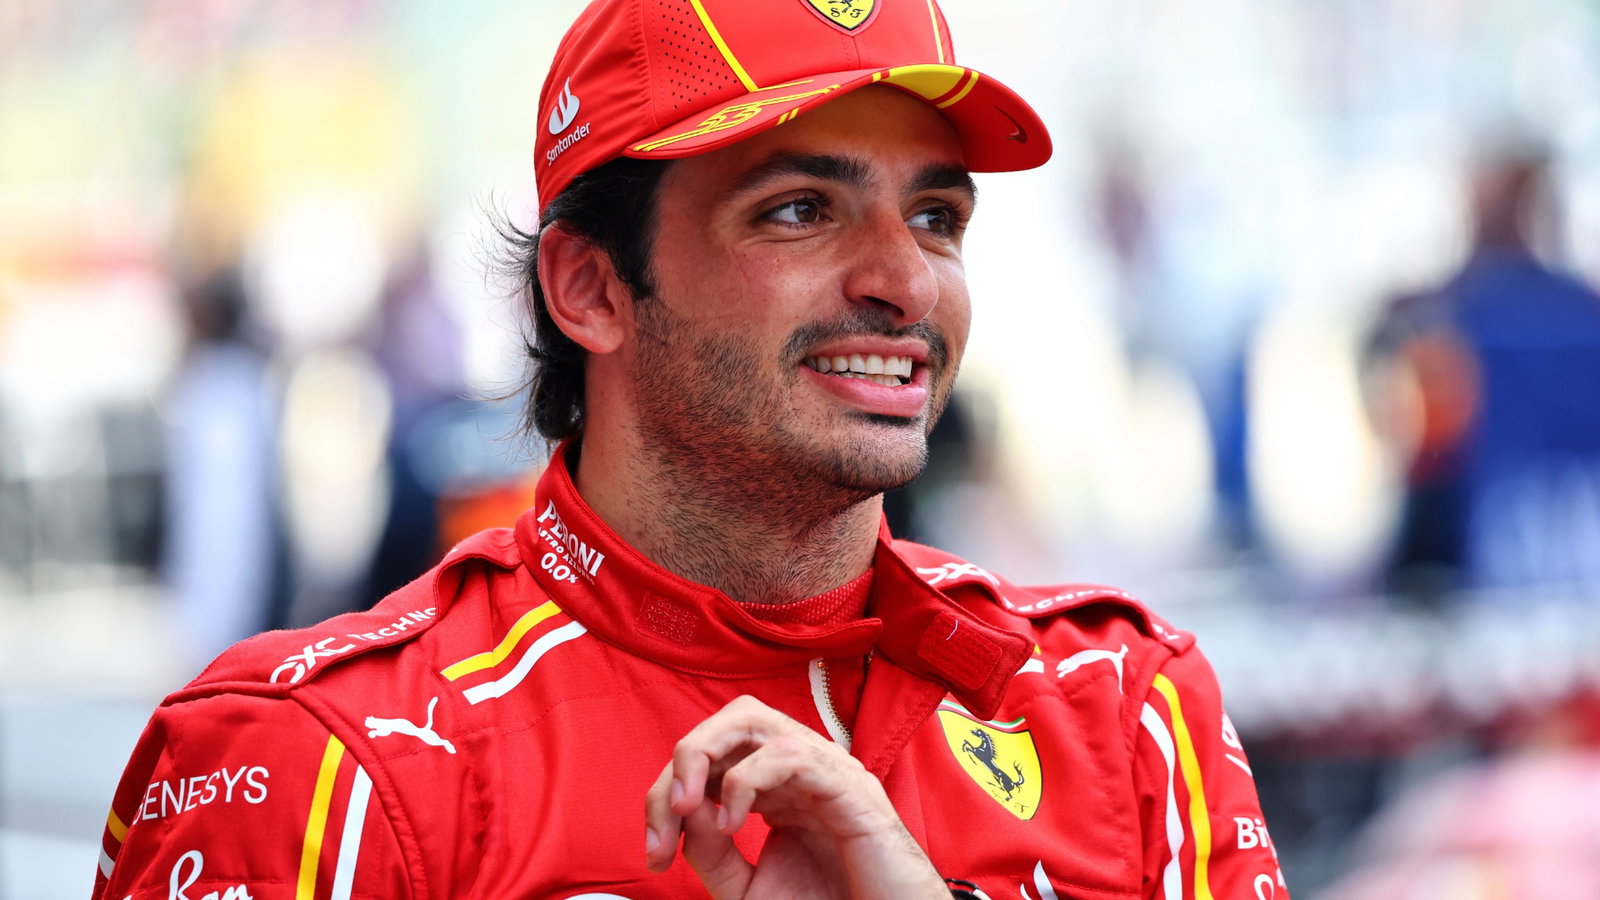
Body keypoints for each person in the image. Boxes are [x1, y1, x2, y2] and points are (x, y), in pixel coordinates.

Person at [93, 1, 1288, 897]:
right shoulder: (322, 763)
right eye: (798, 210)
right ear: (590, 287)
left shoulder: (1124, 711)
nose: (904, 281)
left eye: (936, 216)